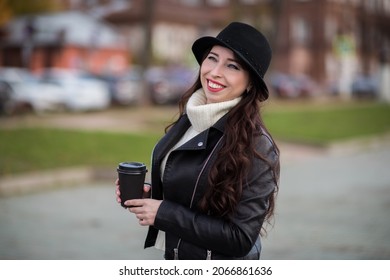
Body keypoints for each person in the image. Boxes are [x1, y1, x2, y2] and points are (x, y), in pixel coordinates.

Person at [115, 22, 280, 260]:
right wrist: (151, 198)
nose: (214, 72)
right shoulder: (191, 117)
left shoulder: (257, 146)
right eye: (212, 58)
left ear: (251, 82)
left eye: (232, 66)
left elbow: (240, 238)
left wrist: (164, 213)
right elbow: (197, 195)